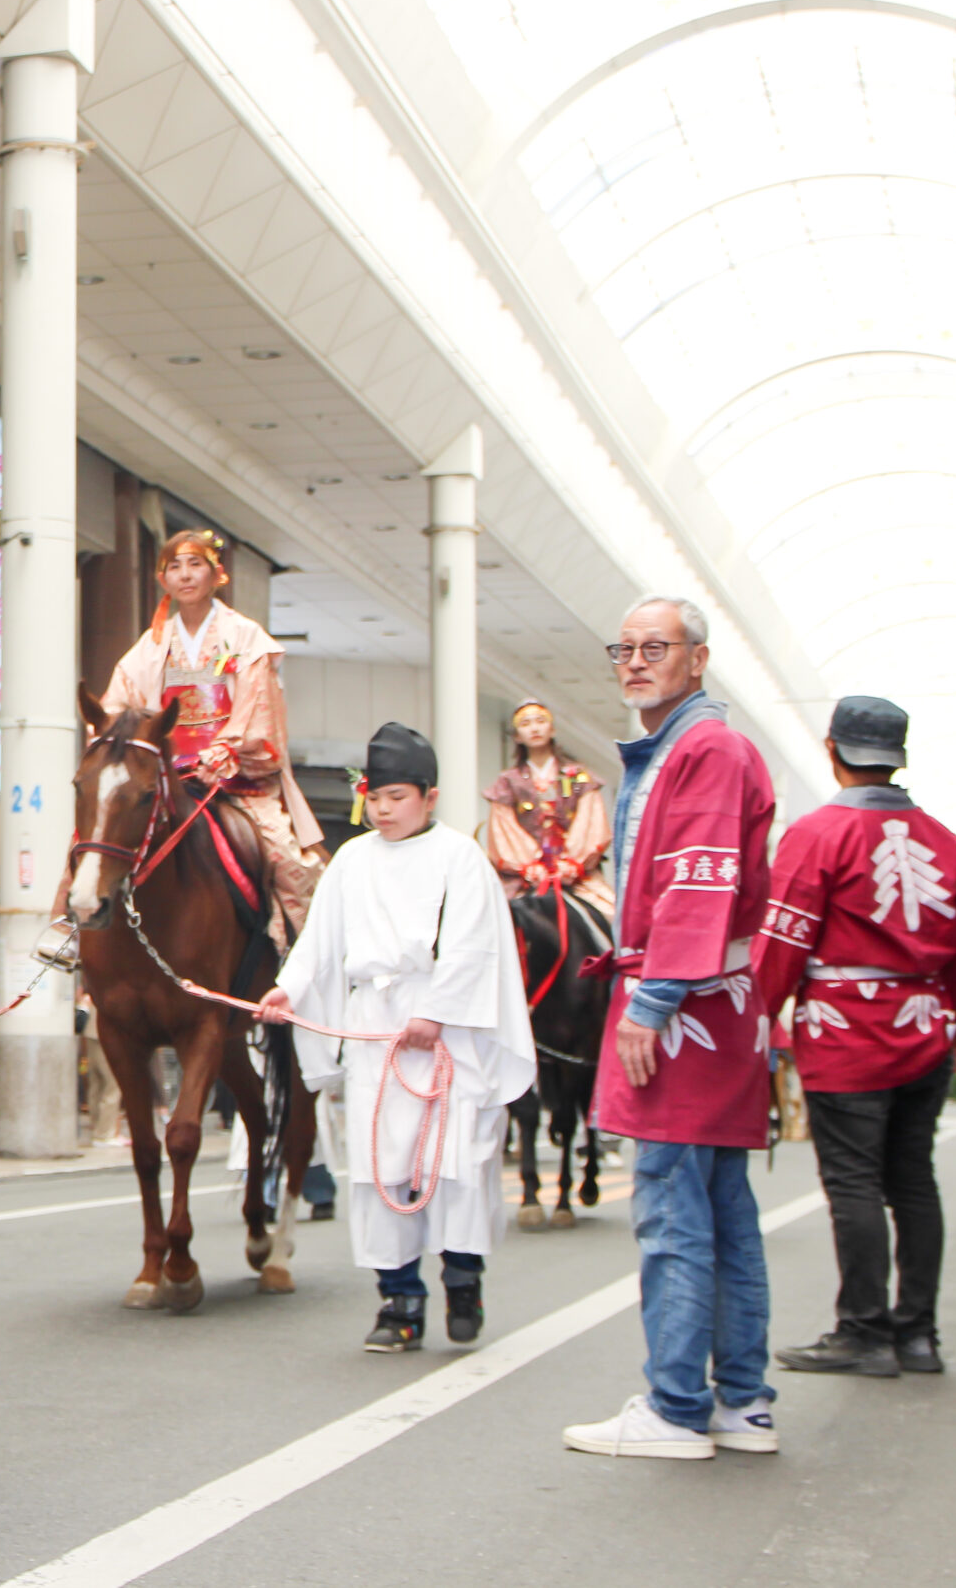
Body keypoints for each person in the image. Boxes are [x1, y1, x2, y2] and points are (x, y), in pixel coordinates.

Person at [562, 596, 778, 1461]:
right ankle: (744, 1402)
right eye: (626, 647)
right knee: (722, 1211)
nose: (636, 660)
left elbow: (698, 881)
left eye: (659, 646)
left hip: (684, 1004)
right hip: (716, 1001)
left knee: (672, 1210)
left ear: (700, 660)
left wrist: (649, 1004)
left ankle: (678, 1405)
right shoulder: (685, 747)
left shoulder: (705, 747)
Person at [259, 724, 535, 1352]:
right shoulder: (352, 859)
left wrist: (437, 1010)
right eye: (374, 797)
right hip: (374, 1028)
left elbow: (473, 945)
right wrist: (288, 988)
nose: (382, 810)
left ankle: (464, 1280)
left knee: (454, 1161)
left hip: (446, 1033)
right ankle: (399, 1301)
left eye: (397, 797)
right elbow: (320, 943)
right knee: (381, 1167)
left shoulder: (460, 858)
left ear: (429, 797)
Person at [750, 697, 956, 1378]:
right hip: (925, 1028)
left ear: (832, 748)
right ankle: (918, 1334)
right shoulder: (944, 839)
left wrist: (760, 1013)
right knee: (913, 1179)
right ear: (897, 756)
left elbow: (784, 938)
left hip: (847, 1032)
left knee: (852, 1181)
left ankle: (864, 1331)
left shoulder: (819, 833)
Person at [101, 528, 324, 941]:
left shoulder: (244, 637)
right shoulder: (149, 647)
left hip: (233, 778)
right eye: (174, 567)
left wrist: (226, 752)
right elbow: (117, 705)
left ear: (216, 573)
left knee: (290, 861)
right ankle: (69, 933)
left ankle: (297, 954)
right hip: (166, 774)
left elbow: (258, 704)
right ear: (163, 578)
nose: (185, 575)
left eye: (195, 564)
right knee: (95, 841)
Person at [484, 698, 616, 914]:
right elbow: (504, 831)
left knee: (612, 915)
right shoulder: (507, 782)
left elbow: (590, 823)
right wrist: (531, 866)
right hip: (524, 878)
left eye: (540, 721)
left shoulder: (579, 777)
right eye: (525, 724)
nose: (534, 728)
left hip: (576, 875)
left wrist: (572, 863)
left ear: (552, 729)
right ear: (517, 736)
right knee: (494, 920)